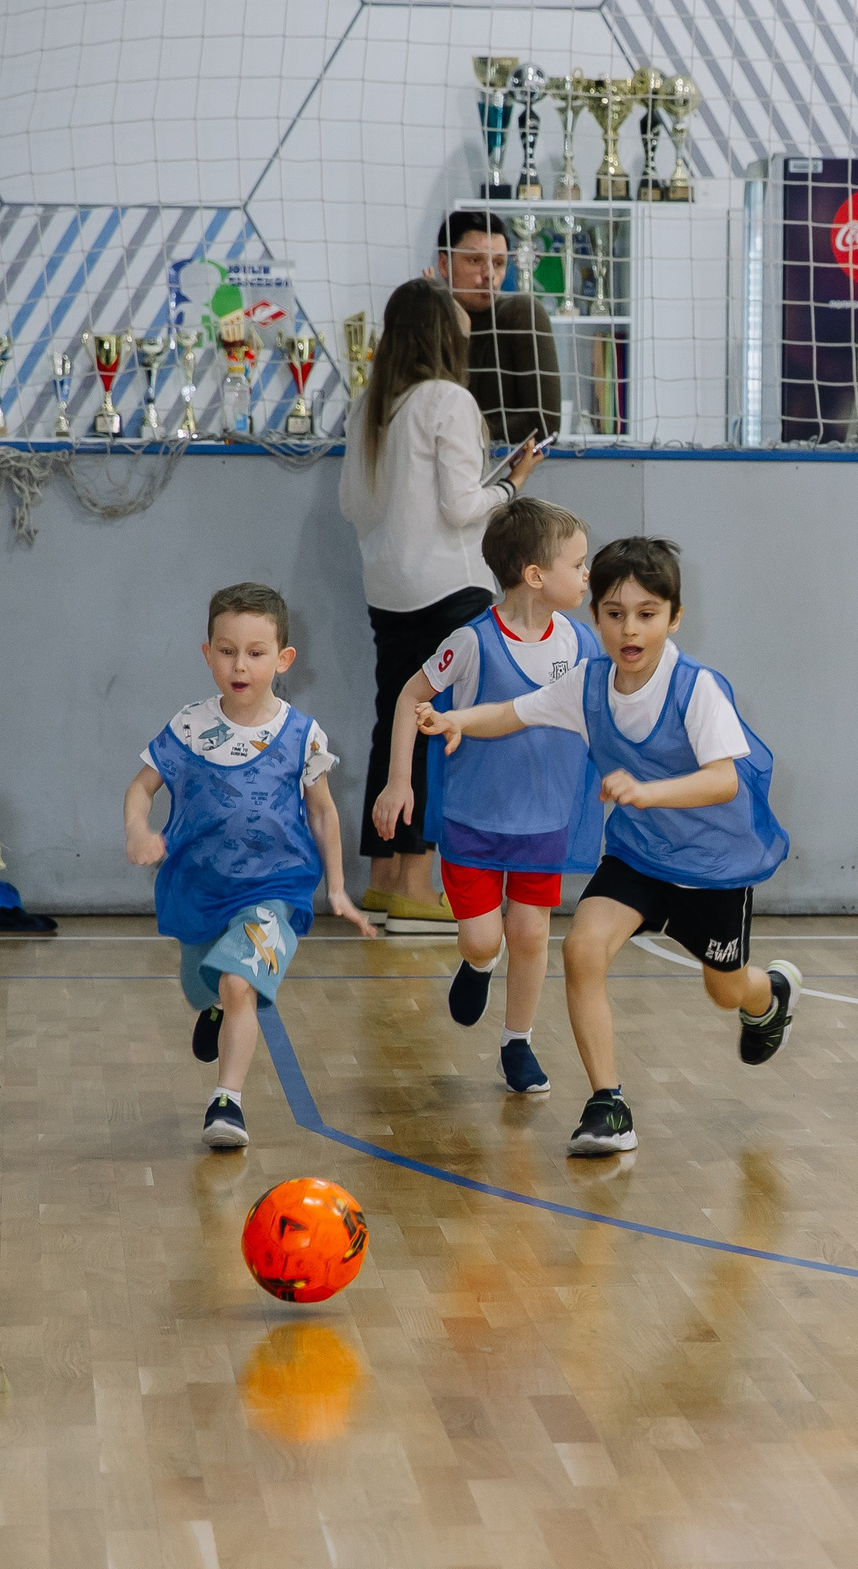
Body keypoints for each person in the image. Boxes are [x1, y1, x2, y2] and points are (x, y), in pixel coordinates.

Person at [417, 536, 802, 1157]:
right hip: (637, 859)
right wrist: (460, 720)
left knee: (725, 989)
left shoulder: (696, 687)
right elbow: (516, 712)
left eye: (647, 614)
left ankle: (770, 997)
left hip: (711, 868)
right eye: (614, 613)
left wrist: (651, 792)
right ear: (593, 617)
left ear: (674, 619)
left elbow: (725, 778)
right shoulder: (588, 683)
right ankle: (608, 1103)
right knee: (583, 949)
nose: (630, 629)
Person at [125, 583, 377, 1149]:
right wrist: (139, 830)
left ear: (283, 659)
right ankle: (212, 1006)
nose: (240, 665)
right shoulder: (188, 726)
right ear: (207, 653)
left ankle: (228, 1102)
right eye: (227, 650)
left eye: (256, 652)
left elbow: (324, 813)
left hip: (277, 888)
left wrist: (336, 889)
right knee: (207, 983)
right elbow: (140, 789)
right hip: (200, 887)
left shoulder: (302, 735)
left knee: (241, 982)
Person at [371, 498, 602, 1096]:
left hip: (546, 818)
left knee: (531, 933)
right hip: (475, 817)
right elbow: (407, 698)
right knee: (484, 937)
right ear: (535, 576)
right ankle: (478, 964)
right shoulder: (471, 642)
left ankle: (517, 1041)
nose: (587, 576)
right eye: (578, 564)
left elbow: (607, 711)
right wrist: (400, 781)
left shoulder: (580, 644)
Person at [340, 276, 545, 933]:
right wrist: (510, 485)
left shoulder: (369, 402)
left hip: (387, 587)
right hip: (449, 589)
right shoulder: (448, 400)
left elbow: (354, 505)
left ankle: (381, 881)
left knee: (391, 726)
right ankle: (419, 884)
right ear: (442, 336)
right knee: (438, 730)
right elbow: (461, 508)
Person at [435, 209, 563, 444]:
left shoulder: (522, 315)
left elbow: (544, 424)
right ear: (444, 264)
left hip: (504, 473)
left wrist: (456, 435)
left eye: (499, 263)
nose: (489, 275)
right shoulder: (426, 319)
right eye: (475, 261)